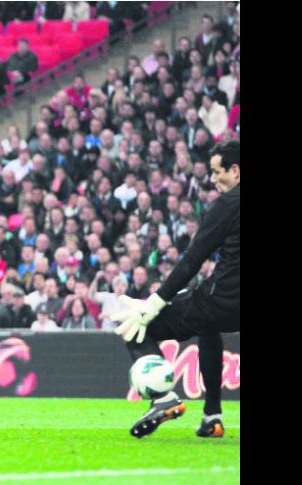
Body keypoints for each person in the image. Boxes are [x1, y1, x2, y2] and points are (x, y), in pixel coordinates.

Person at [110, 140, 240, 439]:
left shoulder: (228, 204)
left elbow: (193, 259)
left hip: (223, 301)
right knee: (208, 330)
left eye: (218, 171)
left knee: (139, 326)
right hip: (227, 308)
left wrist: (155, 302)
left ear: (235, 171)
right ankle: (213, 417)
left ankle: (164, 399)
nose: (213, 178)